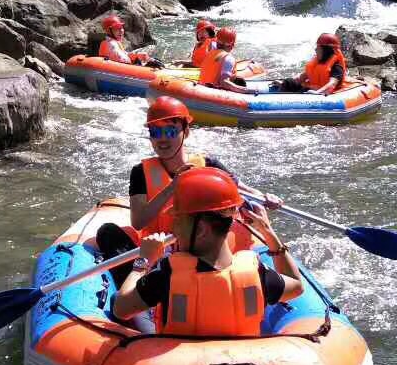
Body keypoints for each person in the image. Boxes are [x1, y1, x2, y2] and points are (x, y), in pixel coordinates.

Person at [96, 96, 278, 281]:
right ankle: (141, 294)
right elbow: (139, 222)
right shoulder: (140, 172)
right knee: (107, 233)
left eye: (170, 131)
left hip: (199, 247)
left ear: (186, 131)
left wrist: (264, 197)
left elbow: (241, 191)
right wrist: (173, 187)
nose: (162, 139)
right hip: (158, 248)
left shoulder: (208, 164)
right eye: (155, 132)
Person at [112, 166, 303, 334]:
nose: (174, 228)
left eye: (178, 220)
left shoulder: (166, 276)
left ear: (202, 229)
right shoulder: (259, 274)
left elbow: (121, 308)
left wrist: (143, 262)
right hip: (241, 364)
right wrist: (269, 235)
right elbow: (296, 285)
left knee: (116, 297)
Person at [272, 32, 347, 95]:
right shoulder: (317, 64)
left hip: (321, 93)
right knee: (289, 82)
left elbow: (332, 84)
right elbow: (302, 77)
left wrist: (317, 93)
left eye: (318, 48)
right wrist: (284, 83)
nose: (315, 49)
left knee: (302, 91)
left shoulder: (337, 67)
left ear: (327, 51)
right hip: (311, 89)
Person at [198, 26, 253, 92]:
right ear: (232, 45)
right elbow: (224, 82)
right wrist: (246, 90)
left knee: (238, 80)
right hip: (213, 93)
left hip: (201, 88)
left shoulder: (210, 53)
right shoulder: (228, 58)